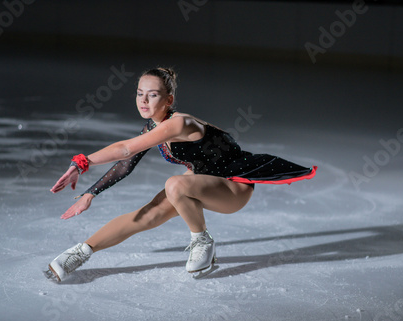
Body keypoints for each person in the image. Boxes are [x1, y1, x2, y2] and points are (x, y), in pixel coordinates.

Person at [46, 67, 317, 282]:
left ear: (169, 99)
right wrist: (90, 193)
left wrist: (81, 162)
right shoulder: (153, 130)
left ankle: (202, 240)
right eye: (140, 93)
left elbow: (125, 149)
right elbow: (126, 164)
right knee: (147, 215)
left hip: (233, 188)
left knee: (176, 183)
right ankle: (80, 254)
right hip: (201, 183)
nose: (143, 100)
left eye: (152, 94)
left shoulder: (179, 123)